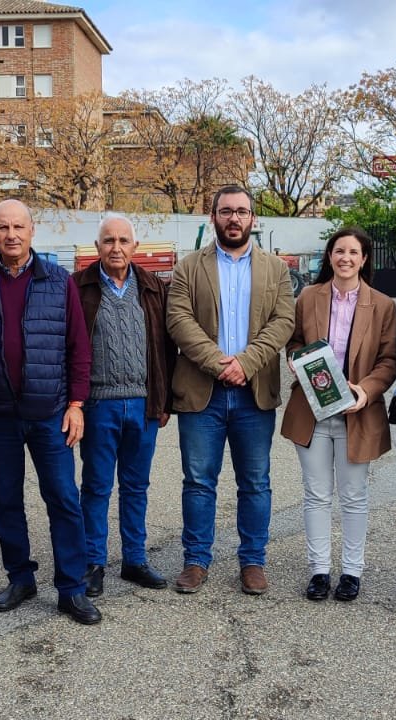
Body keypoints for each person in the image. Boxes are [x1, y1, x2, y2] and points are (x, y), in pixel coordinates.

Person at [0, 199, 100, 625]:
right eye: (3, 227)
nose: (11, 235)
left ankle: (72, 588)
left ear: (32, 230)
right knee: (4, 501)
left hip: (49, 412)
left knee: (62, 498)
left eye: (18, 226)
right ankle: (20, 577)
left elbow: (79, 348)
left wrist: (76, 405)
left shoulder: (59, 282)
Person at [167, 185, 295, 595]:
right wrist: (221, 363)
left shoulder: (276, 269)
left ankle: (253, 561)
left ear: (253, 219)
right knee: (198, 481)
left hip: (253, 393)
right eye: (226, 211)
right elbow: (178, 320)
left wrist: (246, 363)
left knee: (255, 481)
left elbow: (283, 322)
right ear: (213, 217)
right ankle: (195, 560)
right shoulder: (188, 267)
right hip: (201, 391)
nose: (234, 218)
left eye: (241, 211)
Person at [279, 227, 396, 602]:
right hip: (312, 412)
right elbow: (295, 342)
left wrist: (366, 390)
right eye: (339, 251)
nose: (345, 257)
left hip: (356, 411)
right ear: (329, 256)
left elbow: (389, 360)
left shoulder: (382, 305)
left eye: (353, 252)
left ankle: (351, 571)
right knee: (315, 494)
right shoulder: (308, 298)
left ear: (364, 259)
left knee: (353, 496)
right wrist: (295, 361)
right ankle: (318, 571)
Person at [75, 212, 176, 596]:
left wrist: (164, 400)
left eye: (123, 241)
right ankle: (93, 562)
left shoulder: (153, 287)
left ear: (135, 247)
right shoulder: (78, 287)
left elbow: (168, 348)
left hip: (143, 404)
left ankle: (134, 559)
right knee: (97, 486)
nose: (115, 247)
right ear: (97, 247)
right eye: (108, 241)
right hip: (98, 405)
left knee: (136, 486)